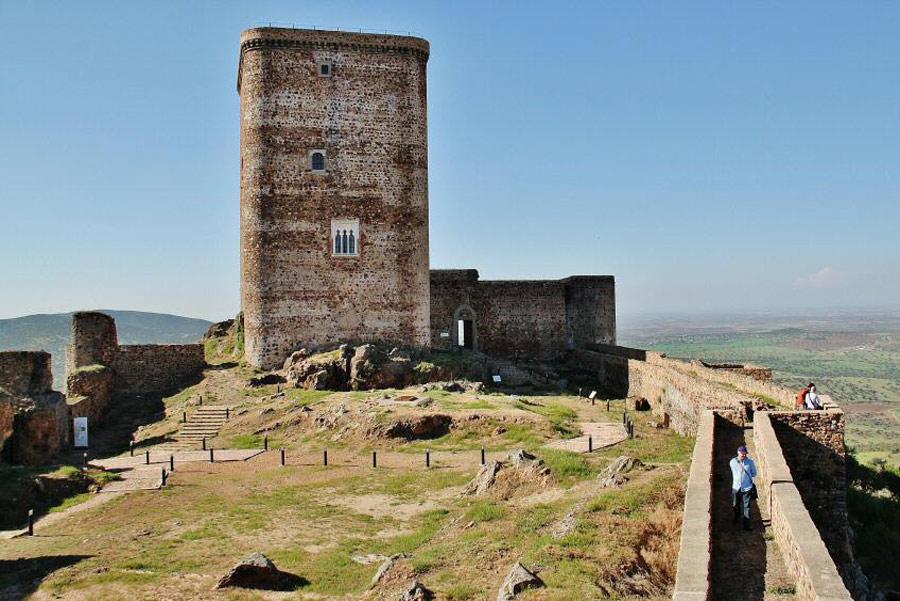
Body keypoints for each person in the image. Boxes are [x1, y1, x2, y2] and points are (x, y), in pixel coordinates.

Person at [730, 445, 757, 531]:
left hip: (747, 488)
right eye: (742, 454)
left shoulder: (750, 462)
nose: (744, 455)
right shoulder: (733, 462)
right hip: (736, 488)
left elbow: (754, 473)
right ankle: (736, 518)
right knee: (735, 505)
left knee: (747, 507)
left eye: (745, 454)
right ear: (738, 453)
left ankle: (746, 525)